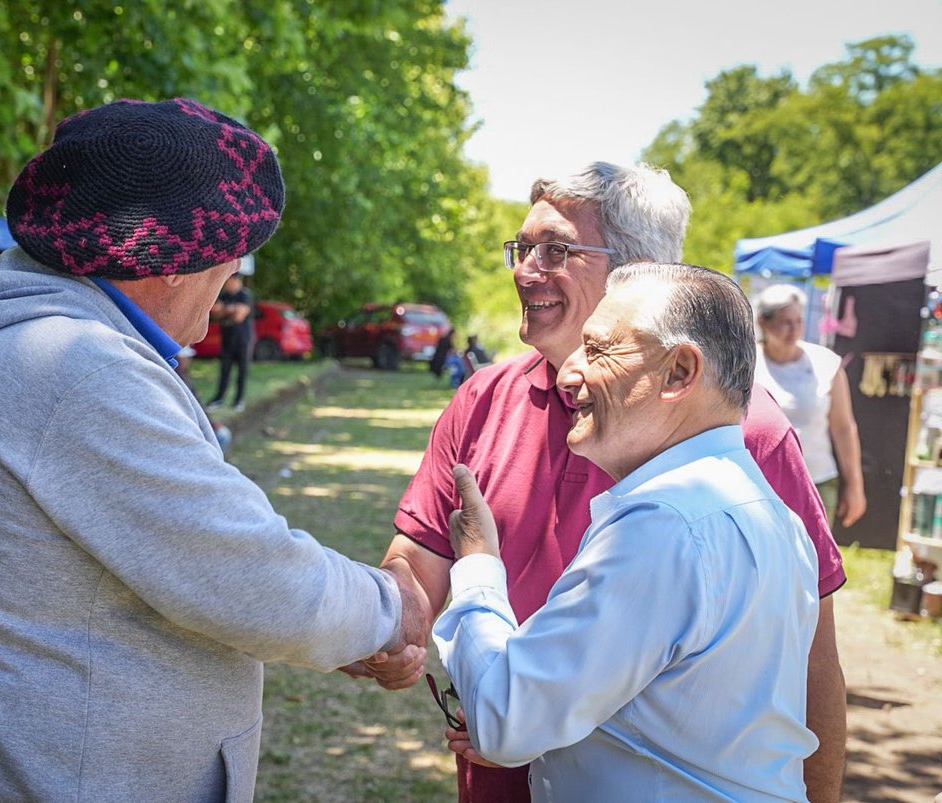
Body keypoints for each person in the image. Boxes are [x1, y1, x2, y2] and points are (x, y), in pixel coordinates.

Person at [0, 98, 426, 801]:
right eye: (226, 267)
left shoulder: (2, 339)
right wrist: (389, 606)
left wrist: (341, 633)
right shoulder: (78, 368)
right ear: (172, 261)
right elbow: (243, 571)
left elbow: (157, 565)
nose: (228, 283)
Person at [356, 162, 848, 803]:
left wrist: (506, 691)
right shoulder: (482, 398)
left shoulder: (742, 430)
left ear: (639, 269)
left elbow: (810, 660)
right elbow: (416, 562)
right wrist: (375, 623)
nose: (524, 269)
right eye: (523, 247)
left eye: (555, 249)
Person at [435, 264, 820, 800]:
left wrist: (477, 565)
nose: (570, 374)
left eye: (597, 350)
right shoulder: (768, 513)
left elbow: (505, 719)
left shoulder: (666, 522)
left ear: (680, 371)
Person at [754, 283, 867, 528]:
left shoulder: (825, 363)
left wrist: (855, 485)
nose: (794, 329)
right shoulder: (748, 364)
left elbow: (844, 428)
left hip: (817, 480)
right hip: (761, 485)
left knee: (817, 562)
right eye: (785, 322)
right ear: (763, 322)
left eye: (799, 321)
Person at [206, 271, 255, 412]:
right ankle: (219, 398)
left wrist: (225, 309)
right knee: (224, 370)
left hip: (243, 339)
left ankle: (239, 400)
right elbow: (215, 311)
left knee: (242, 370)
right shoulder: (225, 296)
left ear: (237, 281)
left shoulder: (245, 295)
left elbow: (239, 315)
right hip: (227, 339)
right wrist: (231, 310)